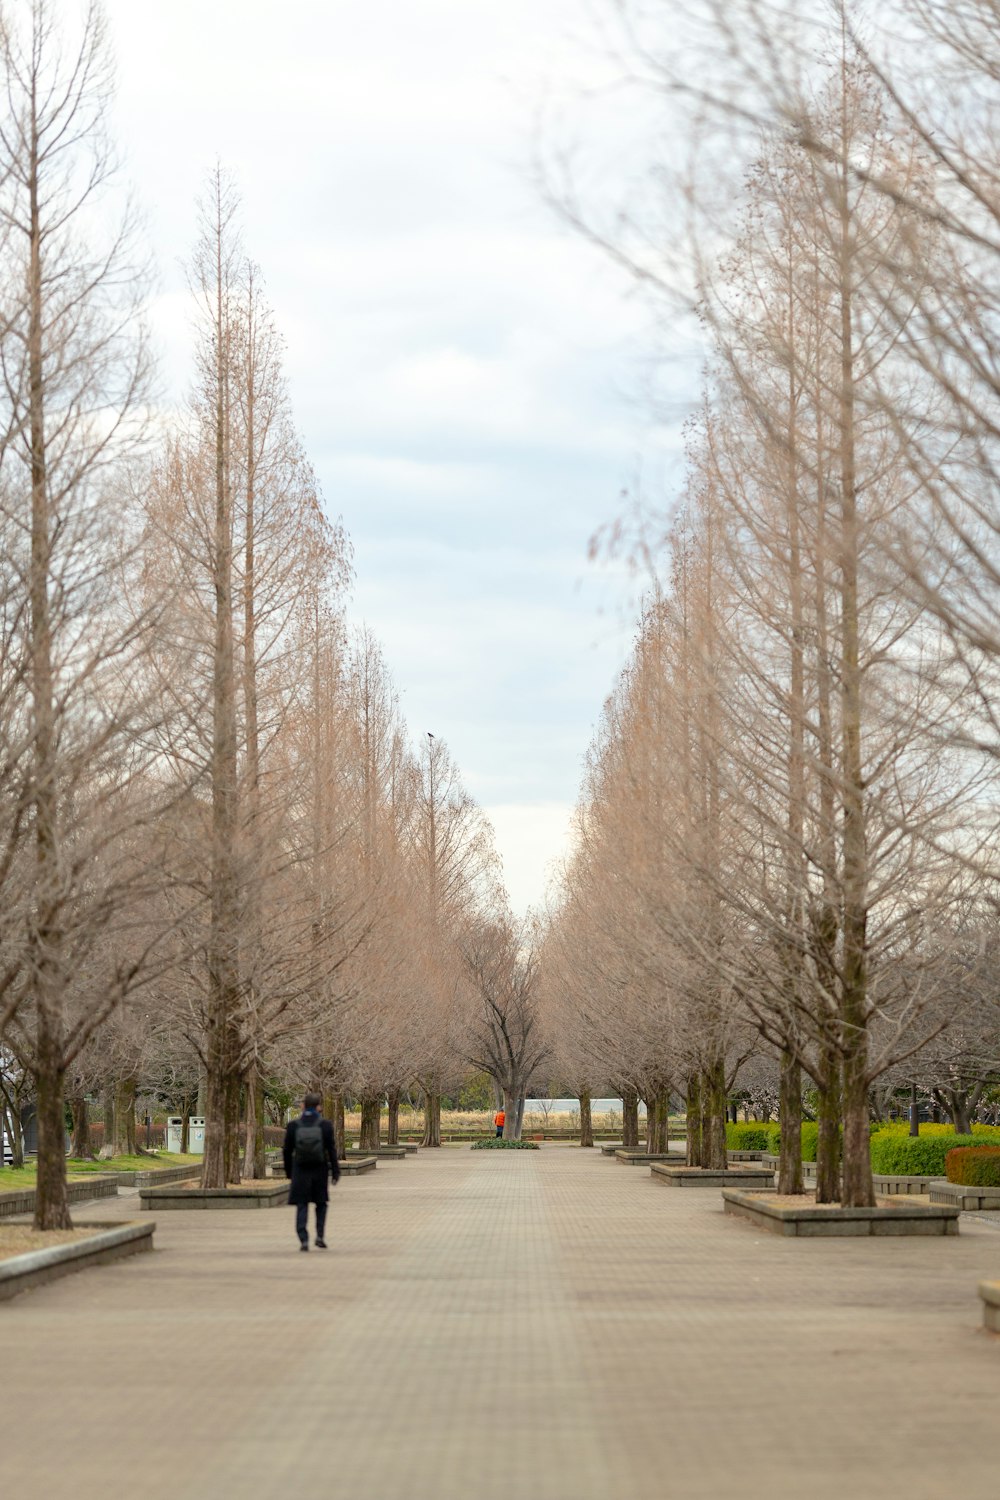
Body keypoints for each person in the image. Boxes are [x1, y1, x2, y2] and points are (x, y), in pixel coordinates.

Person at [283, 1092, 339, 1251]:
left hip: (300, 1169)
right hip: (319, 1169)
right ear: (319, 1107)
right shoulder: (325, 1125)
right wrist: (335, 1171)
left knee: (302, 1204)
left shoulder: (293, 1125)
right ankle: (320, 1235)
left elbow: (287, 1151)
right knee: (321, 1203)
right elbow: (331, 1150)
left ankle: (303, 1239)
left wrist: (289, 1172)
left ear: (303, 1106)